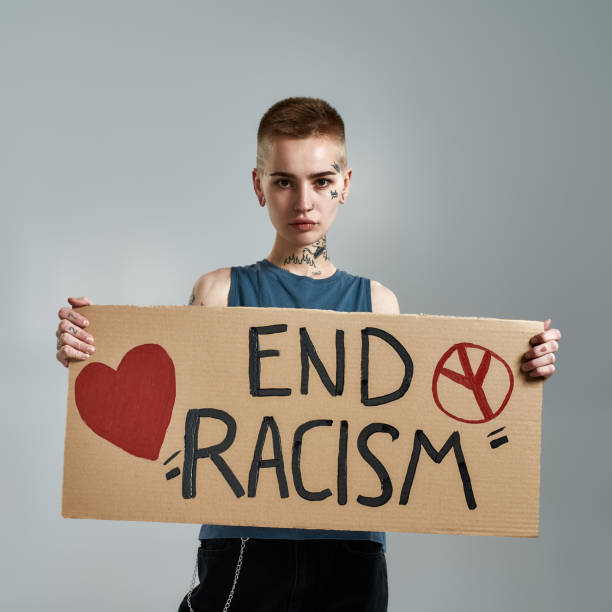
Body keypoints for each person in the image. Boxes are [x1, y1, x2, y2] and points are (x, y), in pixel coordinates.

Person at [55, 97, 562, 612]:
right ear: (259, 186)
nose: (304, 202)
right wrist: (91, 348)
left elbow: (417, 422)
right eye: (283, 181)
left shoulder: (377, 304)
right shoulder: (220, 292)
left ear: (346, 184)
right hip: (244, 542)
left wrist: (521, 372)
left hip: (351, 547)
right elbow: (170, 406)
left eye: (321, 181)